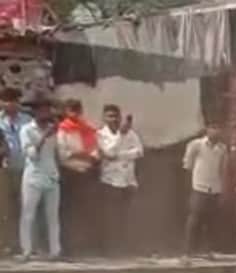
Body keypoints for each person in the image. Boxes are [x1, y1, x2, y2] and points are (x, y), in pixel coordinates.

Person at [17, 98, 60, 261]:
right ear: (34, 112)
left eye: (47, 110)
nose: (45, 113)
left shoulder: (53, 130)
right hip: (33, 176)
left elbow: (56, 153)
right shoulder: (26, 130)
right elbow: (32, 155)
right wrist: (44, 137)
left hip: (51, 176)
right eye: (42, 110)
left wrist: (52, 133)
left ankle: (55, 251)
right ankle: (26, 250)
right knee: (28, 215)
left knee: (52, 215)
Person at [97, 104, 143, 256]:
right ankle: (110, 250)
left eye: (116, 116)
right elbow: (109, 153)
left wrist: (120, 155)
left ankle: (125, 249)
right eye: (110, 116)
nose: (113, 119)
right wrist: (120, 136)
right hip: (110, 181)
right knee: (111, 217)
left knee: (127, 216)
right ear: (104, 118)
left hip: (128, 180)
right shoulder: (100, 134)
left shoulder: (131, 133)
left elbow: (139, 152)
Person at [57, 99, 100, 256]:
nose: (74, 113)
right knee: (69, 212)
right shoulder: (63, 130)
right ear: (66, 112)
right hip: (70, 174)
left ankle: (84, 245)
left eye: (76, 110)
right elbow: (63, 155)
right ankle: (68, 247)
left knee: (86, 211)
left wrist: (87, 156)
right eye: (71, 110)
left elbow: (95, 152)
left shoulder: (87, 129)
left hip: (86, 174)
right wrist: (82, 154)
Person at [182, 124, 227, 261]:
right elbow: (187, 165)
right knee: (194, 220)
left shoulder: (222, 148)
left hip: (214, 188)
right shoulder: (196, 145)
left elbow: (222, 169)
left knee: (211, 222)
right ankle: (188, 251)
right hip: (199, 187)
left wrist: (222, 189)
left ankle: (208, 250)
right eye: (213, 127)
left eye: (218, 128)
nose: (216, 131)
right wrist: (192, 183)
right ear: (207, 129)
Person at [0, 88, 30, 253]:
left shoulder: (27, 120)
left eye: (13, 100)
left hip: (25, 168)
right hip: (4, 170)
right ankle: (7, 243)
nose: (9, 103)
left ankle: (24, 244)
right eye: (5, 100)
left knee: (25, 208)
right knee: (5, 209)